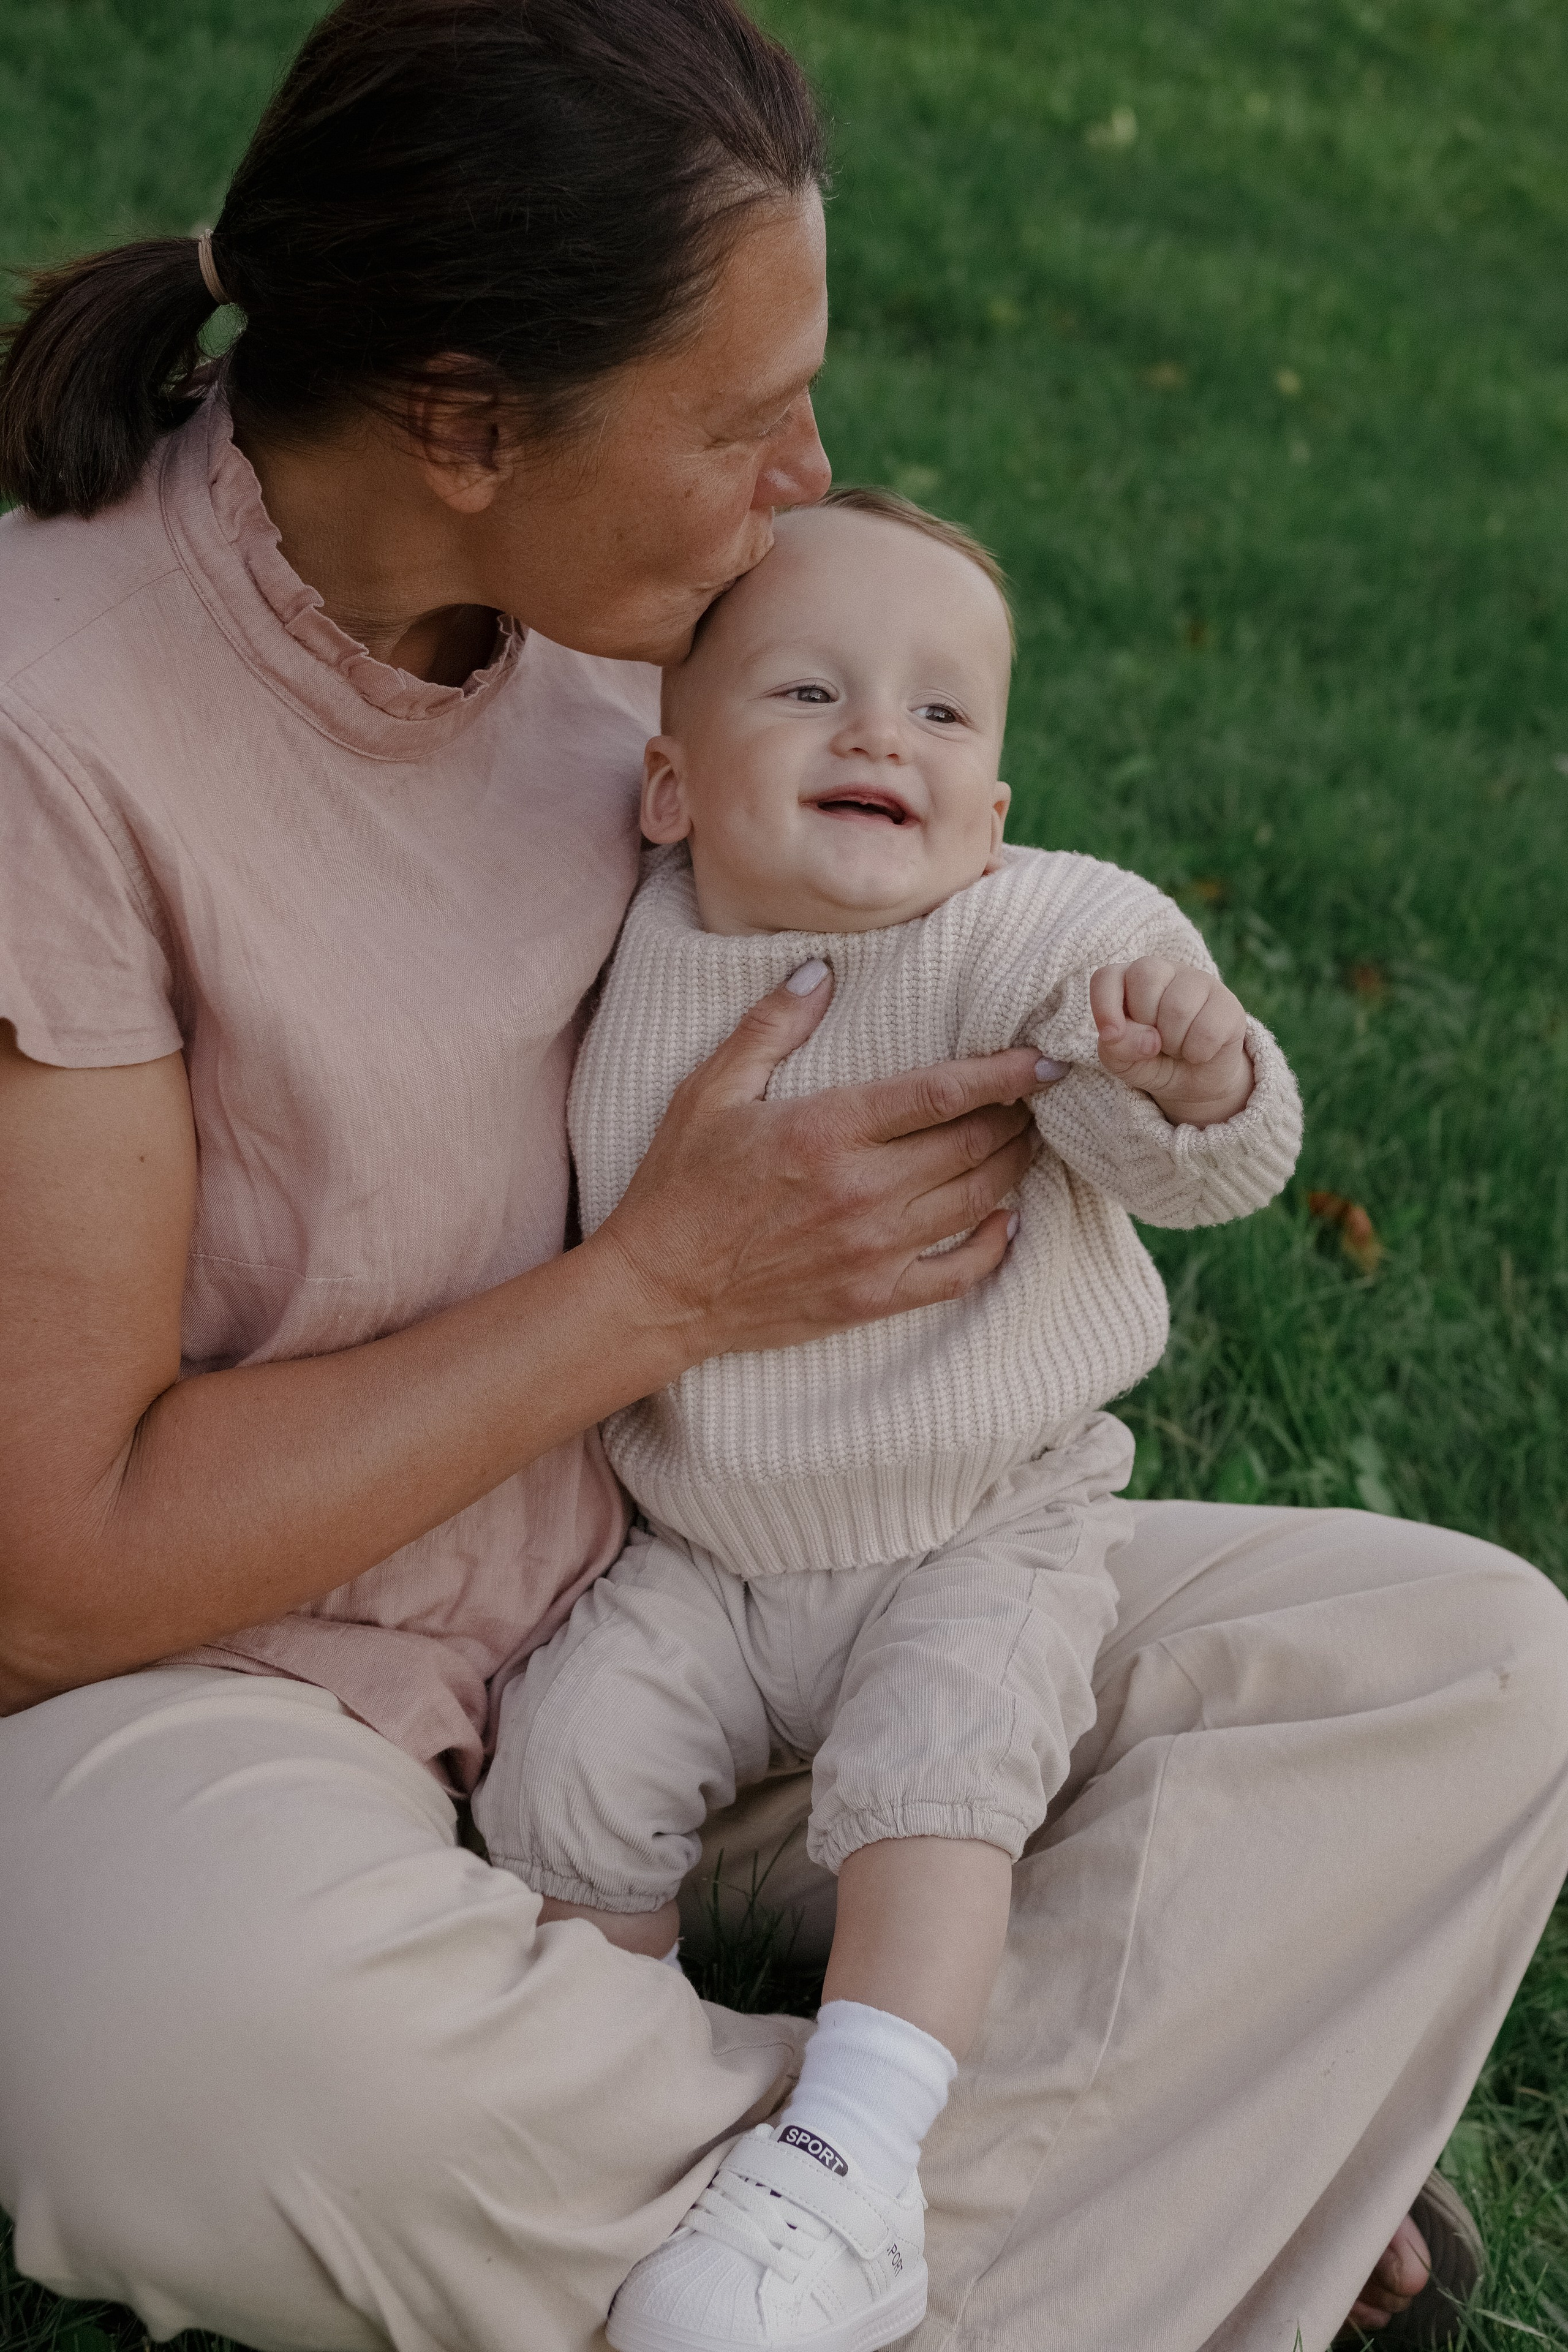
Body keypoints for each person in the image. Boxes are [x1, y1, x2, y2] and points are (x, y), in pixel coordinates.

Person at [0, 2, 1561, 2348]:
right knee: (170, 2048)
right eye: (741, 426)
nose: (808, 477)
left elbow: (986, 941)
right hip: (243, 1709)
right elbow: (56, 1578)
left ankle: (816, 2203)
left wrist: (1133, 1060)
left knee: (1463, 1670)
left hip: (736, 1580)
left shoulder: (660, 630)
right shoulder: (51, 732)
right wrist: (657, 1294)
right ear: (464, 421)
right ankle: (1102, 2165)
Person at [481, 487, 1304, 2352]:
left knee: (943, 1764)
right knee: (567, 1765)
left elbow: (1196, 1154)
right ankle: (640, 2093)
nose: (880, 736)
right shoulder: (622, 947)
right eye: (808, 692)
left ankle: (850, 2161)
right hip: (702, 1533)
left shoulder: (1024, 935)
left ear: (993, 811)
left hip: (974, 1516)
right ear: (671, 787)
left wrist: (1188, 1071)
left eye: (942, 712)